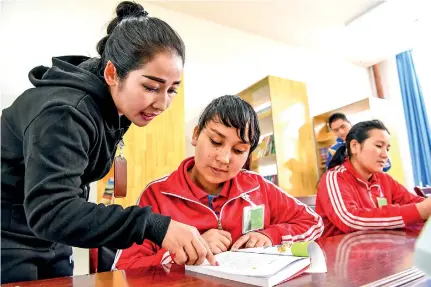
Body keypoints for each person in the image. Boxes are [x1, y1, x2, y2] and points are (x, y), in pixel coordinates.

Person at [1, 2, 215, 284]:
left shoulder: (111, 110)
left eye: (172, 90)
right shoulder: (65, 112)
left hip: (50, 239)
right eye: (151, 87)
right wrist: (152, 225)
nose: (163, 103)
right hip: (9, 238)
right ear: (112, 74)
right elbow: (51, 209)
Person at [112, 95, 324, 270]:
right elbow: (125, 270)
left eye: (239, 150)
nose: (224, 158)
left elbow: (314, 222)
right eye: (215, 141)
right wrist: (188, 251)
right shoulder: (158, 194)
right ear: (196, 135)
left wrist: (270, 235)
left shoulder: (257, 187)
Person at [316, 120, 431, 238]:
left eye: (387, 149)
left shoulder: (385, 179)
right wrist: (419, 210)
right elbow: (351, 220)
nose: (385, 155)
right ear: (355, 146)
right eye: (379, 146)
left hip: (380, 249)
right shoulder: (334, 177)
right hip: (340, 253)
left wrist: (424, 207)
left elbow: (416, 203)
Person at [326, 113, 391, 172]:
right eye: (336, 130)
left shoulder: (367, 138)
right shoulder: (333, 150)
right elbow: (330, 171)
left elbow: (386, 166)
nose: (341, 132)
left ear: (349, 123)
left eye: (343, 126)